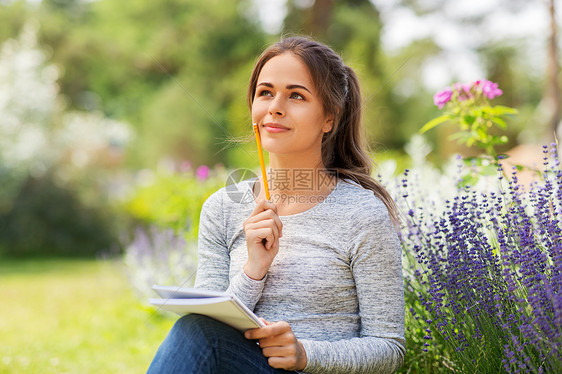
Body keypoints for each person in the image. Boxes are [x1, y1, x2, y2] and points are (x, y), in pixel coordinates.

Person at [147, 36, 405, 374]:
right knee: (195, 328)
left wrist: (304, 354)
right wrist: (254, 269)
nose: (275, 107)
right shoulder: (222, 207)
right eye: (265, 92)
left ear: (329, 118)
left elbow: (389, 347)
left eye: (296, 95)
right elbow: (205, 328)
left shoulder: (362, 214)